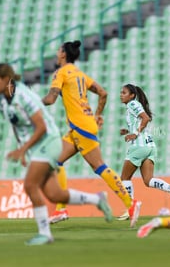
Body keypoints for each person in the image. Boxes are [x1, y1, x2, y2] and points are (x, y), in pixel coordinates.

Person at [0, 63, 113, 245]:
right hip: (35, 146)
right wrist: (23, 149)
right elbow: (17, 126)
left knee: (31, 185)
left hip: (49, 141)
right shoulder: (0, 102)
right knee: (55, 195)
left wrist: (23, 150)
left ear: (6, 79)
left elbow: (41, 126)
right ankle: (97, 199)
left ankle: (45, 233)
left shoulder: (23, 96)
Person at [42, 40, 141, 227]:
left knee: (100, 167)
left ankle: (131, 203)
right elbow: (103, 93)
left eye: (58, 50)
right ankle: (61, 209)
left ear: (63, 54)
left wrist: (33, 103)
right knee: (55, 161)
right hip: (82, 125)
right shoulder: (80, 74)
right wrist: (97, 115)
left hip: (81, 126)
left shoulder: (61, 73)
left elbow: (51, 98)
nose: (56, 53)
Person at [117, 84, 170, 221]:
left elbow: (145, 118)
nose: (121, 95)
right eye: (121, 92)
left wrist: (135, 134)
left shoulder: (132, 104)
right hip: (150, 146)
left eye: (124, 92)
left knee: (124, 178)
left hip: (139, 146)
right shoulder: (134, 105)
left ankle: (131, 208)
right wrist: (129, 131)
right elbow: (141, 121)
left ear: (132, 95)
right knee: (148, 180)